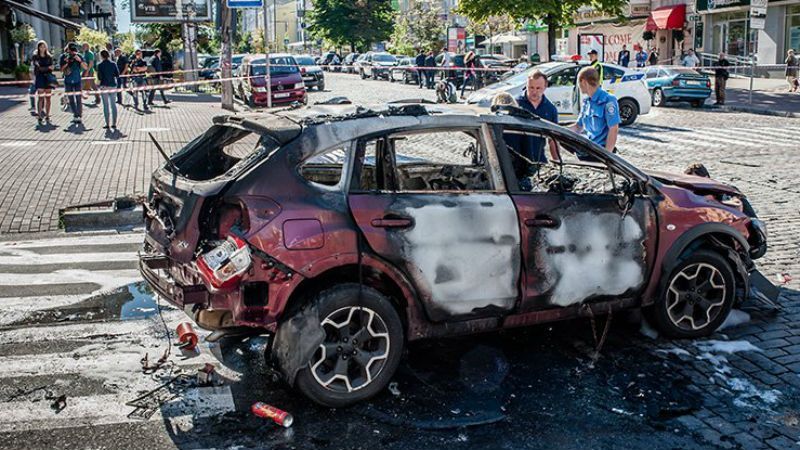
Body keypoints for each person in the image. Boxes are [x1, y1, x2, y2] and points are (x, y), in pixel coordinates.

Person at [570, 67, 620, 159]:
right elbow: (578, 127)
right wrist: (557, 130)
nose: (578, 86)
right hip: (588, 150)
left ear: (584, 82)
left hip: (601, 153)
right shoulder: (586, 102)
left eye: (578, 82)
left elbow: (613, 129)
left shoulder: (608, 100)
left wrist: (607, 156)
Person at [514, 70, 559, 163]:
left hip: (539, 161)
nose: (534, 92)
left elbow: (553, 139)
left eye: (538, 88)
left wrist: (557, 161)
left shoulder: (550, 109)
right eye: (531, 87)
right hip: (517, 161)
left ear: (545, 87)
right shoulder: (516, 104)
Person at [59, 43, 86, 124]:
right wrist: (67, 62)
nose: (72, 53)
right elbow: (61, 69)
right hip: (68, 81)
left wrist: (79, 60)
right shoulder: (63, 56)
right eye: (71, 51)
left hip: (77, 80)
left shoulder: (79, 55)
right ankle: (75, 115)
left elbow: (85, 67)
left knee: (78, 98)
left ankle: (79, 116)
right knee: (71, 99)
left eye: (74, 51)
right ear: (68, 49)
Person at [31, 40, 55, 125]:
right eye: (41, 46)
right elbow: (38, 69)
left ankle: (48, 115)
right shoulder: (35, 57)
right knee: (40, 97)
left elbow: (52, 67)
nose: (42, 48)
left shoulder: (49, 57)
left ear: (46, 47)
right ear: (38, 47)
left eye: (44, 46)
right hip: (40, 78)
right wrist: (47, 68)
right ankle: (40, 116)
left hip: (48, 78)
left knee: (48, 98)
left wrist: (47, 68)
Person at [96, 49, 119, 129]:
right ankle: (114, 123)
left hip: (104, 86)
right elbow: (117, 74)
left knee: (106, 105)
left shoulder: (100, 65)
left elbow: (99, 77)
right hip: (112, 85)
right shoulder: (113, 64)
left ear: (101, 56)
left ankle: (107, 124)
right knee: (113, 105)